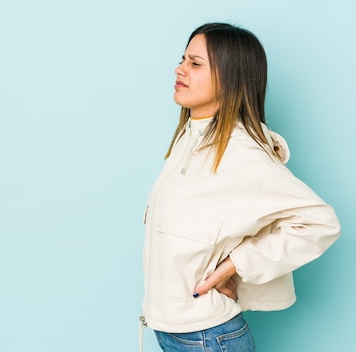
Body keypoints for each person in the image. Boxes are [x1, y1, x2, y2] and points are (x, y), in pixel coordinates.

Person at [139, 23, 341, 352]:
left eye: (195, 63)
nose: (180, 69)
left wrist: (237, 265)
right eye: (183, 59)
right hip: (178, 334)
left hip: (206, 338)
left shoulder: (241, 153)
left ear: (229, 78)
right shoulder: (189, 139)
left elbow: (321, 222)